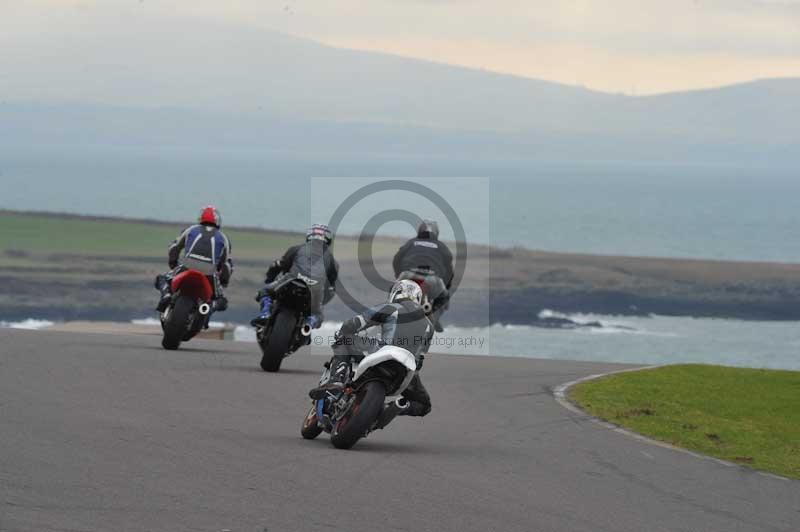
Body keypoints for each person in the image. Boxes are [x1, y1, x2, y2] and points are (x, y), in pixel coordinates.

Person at [310, 279, 433, 419]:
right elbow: (420, 361)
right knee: (424, 405)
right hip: (406, 369)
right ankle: (392, 408)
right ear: (418, 298)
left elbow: (354, 323)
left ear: (397, 292)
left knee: (344, 338)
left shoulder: (391, 308)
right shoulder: (430, 326)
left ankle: (336, 380)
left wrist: (344, 331)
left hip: (383, 352)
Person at [250, 224, 338, 329]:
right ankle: (309, 324)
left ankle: (265, 314)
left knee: (264, 292)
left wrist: (269, 279)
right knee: (317, 314)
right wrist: (321, 302)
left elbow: (278, 265)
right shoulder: (332, 260)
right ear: (328, 240)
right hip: (315, 290)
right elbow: (332, 286)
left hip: (291, 280)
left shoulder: (297, 249)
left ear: (309, 236)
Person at [155, 205, 233, 312]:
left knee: (162, 279)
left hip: (187, 266)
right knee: (222, 301)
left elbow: (175, 248)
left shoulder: (191, 230)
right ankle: (210, 307)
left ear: (200, 218)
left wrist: (173, 263)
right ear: (218, 220)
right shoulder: (224, 238)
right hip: (209, 273)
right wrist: (224, 281)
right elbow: (226, 265)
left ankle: (167, 295)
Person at [392, 219, 454, 331]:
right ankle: (434, 319)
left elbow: (397, 259)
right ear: (436, 233)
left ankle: (389, 313)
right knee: (444, 297)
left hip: (408, 275)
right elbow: (449, 271)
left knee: (393, 290)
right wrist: (445, 285)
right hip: (432, 279)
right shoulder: (441, 246)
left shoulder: (411, 242)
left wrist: (399, 276)